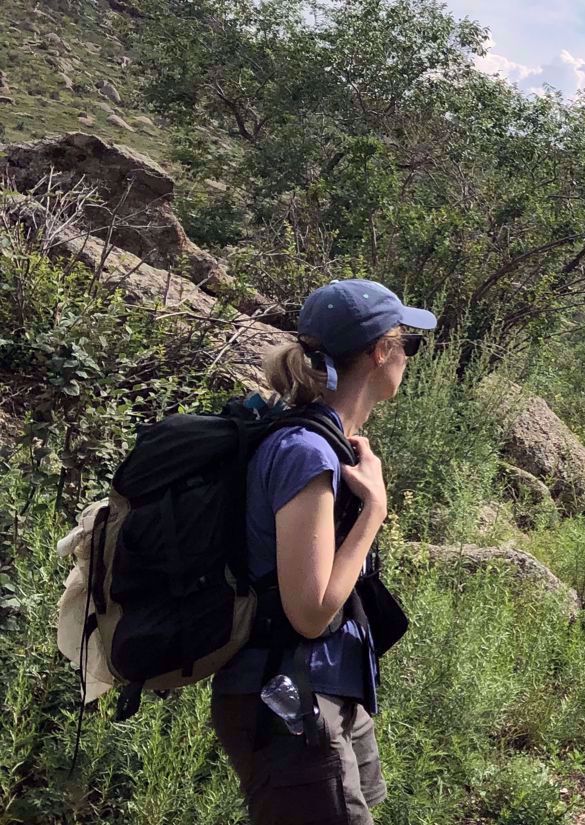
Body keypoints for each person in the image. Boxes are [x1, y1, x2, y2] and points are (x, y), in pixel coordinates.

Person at [208, 279, 433, 825]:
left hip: (326, 689)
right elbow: (309, 613)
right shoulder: (306, 453)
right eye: (408, 343)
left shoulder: (326, 442)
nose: (408, 355)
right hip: (290, 704)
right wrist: (374, 513)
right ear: (381, 352)